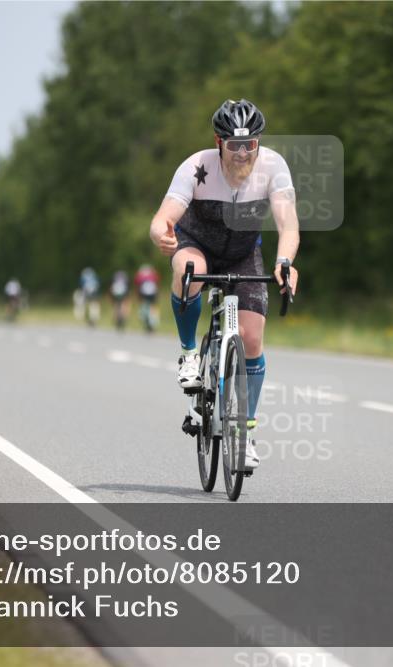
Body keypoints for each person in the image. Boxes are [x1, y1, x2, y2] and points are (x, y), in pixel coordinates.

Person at [148, 98, 299, 469]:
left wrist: (284, 262)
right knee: (187, 269)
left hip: (243, 254)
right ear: (219, 143)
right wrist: (159, 234)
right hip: (197, 244)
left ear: (258, 143)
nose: (243, 153)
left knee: (251, 340)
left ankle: (244, 433)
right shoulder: (197, 166)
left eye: (250, 144)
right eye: (234, 145)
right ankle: (188, 353)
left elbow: (288, 223)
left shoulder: (273, 166)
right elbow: (164, 217)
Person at [134, 263, 161, 332]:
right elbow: (157, 283)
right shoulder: (153, 274)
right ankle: (153, 321)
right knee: (153, 307)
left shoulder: (140, 275)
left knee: (144, 306)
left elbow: (137, 285)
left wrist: (138, 295)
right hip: (153, 293)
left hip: (143, 293)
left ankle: (145, 318)